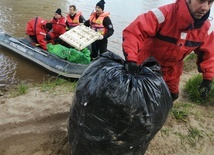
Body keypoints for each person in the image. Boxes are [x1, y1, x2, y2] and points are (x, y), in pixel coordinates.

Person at [122, 0, 214, 102]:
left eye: (210, 2)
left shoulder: (206, 28)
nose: (205, 7)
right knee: (138, 98)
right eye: (201, 1)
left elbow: (209, 54)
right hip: (146, 65)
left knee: (171, 96)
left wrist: (208, 78)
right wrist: (131, 59)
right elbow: (133, 32)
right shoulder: (162, 14)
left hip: (172, 70)